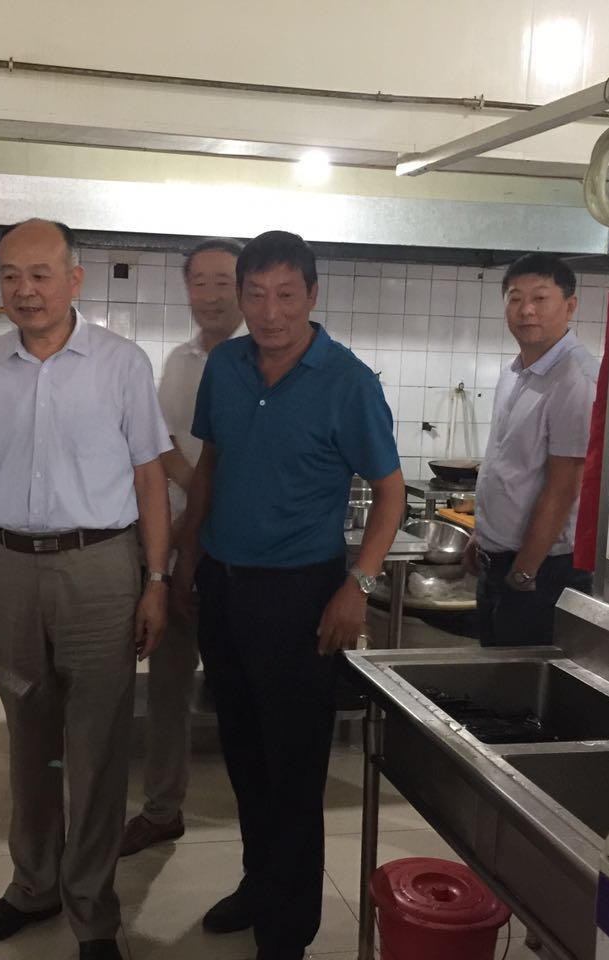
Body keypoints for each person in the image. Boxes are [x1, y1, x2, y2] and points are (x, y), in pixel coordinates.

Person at [0, 219, 171, 960]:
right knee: (28, 739)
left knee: (96, 748)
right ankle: (33, 884)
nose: (24, 290)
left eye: (40, 274)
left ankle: (92, 911)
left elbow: (150, 480)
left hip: (100, 567)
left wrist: (156, 581)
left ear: (75, 280)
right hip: (10, 569)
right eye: (10, 275)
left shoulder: (121, 364)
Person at [173, 230, 404, 960]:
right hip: (224, 585)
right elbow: (211, 465)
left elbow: (391, 494)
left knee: (294, 771)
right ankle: (259, 884)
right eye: (256, 294)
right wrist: (186, 557)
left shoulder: (349, 381)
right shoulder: (227, 366)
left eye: (286, 295)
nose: (270, 312)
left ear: (312, 295)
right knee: (244, 756)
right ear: (240, 296)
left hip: (301, 597)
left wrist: (357, 585)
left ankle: (287, 933)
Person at [120, 237, 246, 858]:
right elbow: (160, 442)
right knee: (168, 688)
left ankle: (259, 815)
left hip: (235, 558)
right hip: (175, 552)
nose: (211, 295)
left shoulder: (261, 357)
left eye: (224, 282)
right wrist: (189, 509)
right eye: (200, 282)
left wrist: (202, 508)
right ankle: (162, 809)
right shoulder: (181, 359)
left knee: (242, 691)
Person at [467, 253, 598, 646]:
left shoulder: (575, 378)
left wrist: (524, 572)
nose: (526, 310)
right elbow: (506, 463)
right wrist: (482, 535)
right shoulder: (516, 371)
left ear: (570, 306)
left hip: (542, 571)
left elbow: (564, 487)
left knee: (519, 679)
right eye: (515, 298)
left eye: (540, 298)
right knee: (494, 673)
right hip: (502, 561)